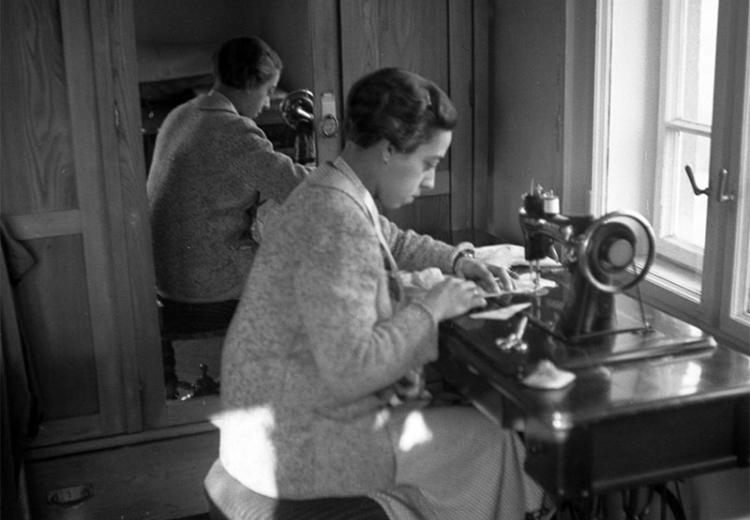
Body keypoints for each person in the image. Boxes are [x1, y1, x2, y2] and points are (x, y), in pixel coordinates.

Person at [207, 67, 548, 519]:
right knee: (491, 440)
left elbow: (392, 240)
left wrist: (459, 261)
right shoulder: (335, 220)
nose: (429, 181)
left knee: (454, 423)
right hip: (294, 446)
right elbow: (352, 370)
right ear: (389, 150)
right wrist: (432, 308)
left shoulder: (329, 188)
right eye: (429, 163)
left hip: (265, 424)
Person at [147, 36, 309, 313]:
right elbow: (299, 187)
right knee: (315, 272)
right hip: (209, 281)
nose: (268, 101)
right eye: (268, 90)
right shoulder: (233, 130)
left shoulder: (181, 114)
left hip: (166, 276)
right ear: (249, 84)